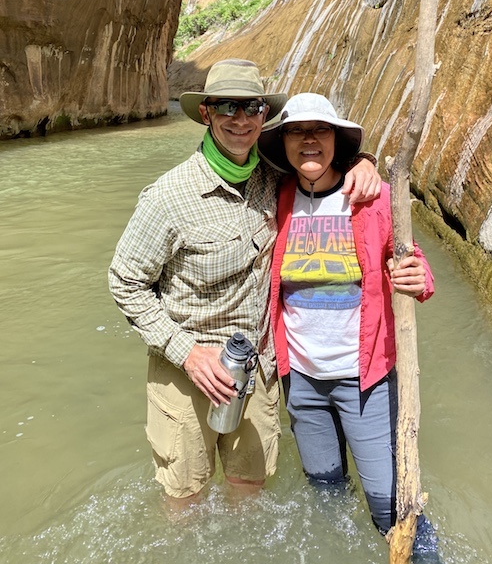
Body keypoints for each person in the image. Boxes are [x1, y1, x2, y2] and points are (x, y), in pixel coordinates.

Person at [108, 59, 381, 505]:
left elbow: (321, 165)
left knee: (249, 491)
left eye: (252, 107)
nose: (240, 119)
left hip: (254, 368)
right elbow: (124, 282)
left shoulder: (272, 177)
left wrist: (364, 163)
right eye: (227, 106)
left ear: (263, 116)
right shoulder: (169, 196)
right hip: (186, 370)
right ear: (206, 113)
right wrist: (188, 354)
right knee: (186, 498)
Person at [260, 92, 435, 536]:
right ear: (283, 143)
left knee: (392, 509)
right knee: (327, 497)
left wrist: (420, 277)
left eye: (319, 130)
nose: (309, 141)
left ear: (337, 139)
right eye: (296, 131)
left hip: (367, 381)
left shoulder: (374, 198)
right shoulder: (275, 200)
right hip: (300, 381)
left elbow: (411, 259)